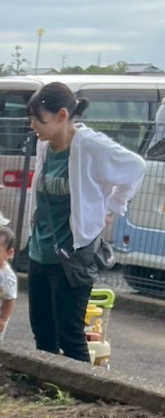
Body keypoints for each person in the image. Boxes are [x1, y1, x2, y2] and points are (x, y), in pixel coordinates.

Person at [25, 81, 145, 363]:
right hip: (39, 251)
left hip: (73, 257)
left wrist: (112, 207)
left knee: (70, 337)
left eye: (39, 119)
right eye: (31, 119)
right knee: (43, 334)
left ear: (62, 116)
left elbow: (136, 167)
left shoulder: (90, 146)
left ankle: (77, 389)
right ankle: (45, 385)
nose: (33, 125)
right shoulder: (44, 146)